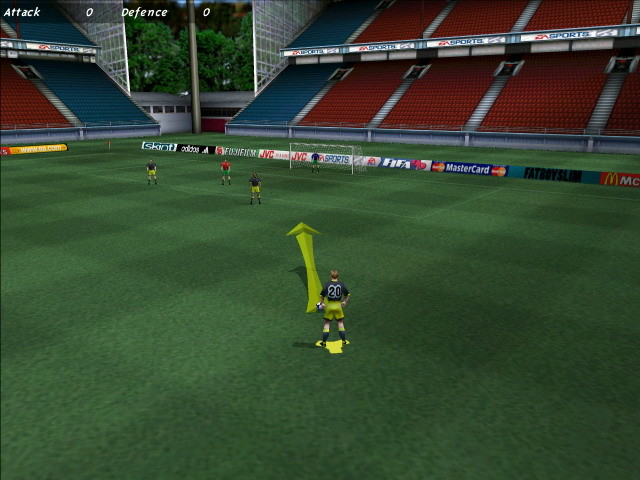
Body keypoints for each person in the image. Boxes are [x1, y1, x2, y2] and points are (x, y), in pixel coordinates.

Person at [319, 270, 350, 347]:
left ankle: (324, 342)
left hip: (330, 306)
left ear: (330, 276)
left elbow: (322, 296)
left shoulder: (327, 284)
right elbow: (347, 295)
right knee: (340, 323)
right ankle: (343, 341)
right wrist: (344, 301)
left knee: (327, 324)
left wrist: (322, 303)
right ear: (337, 276)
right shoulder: (341, 284)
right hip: (338, 306)